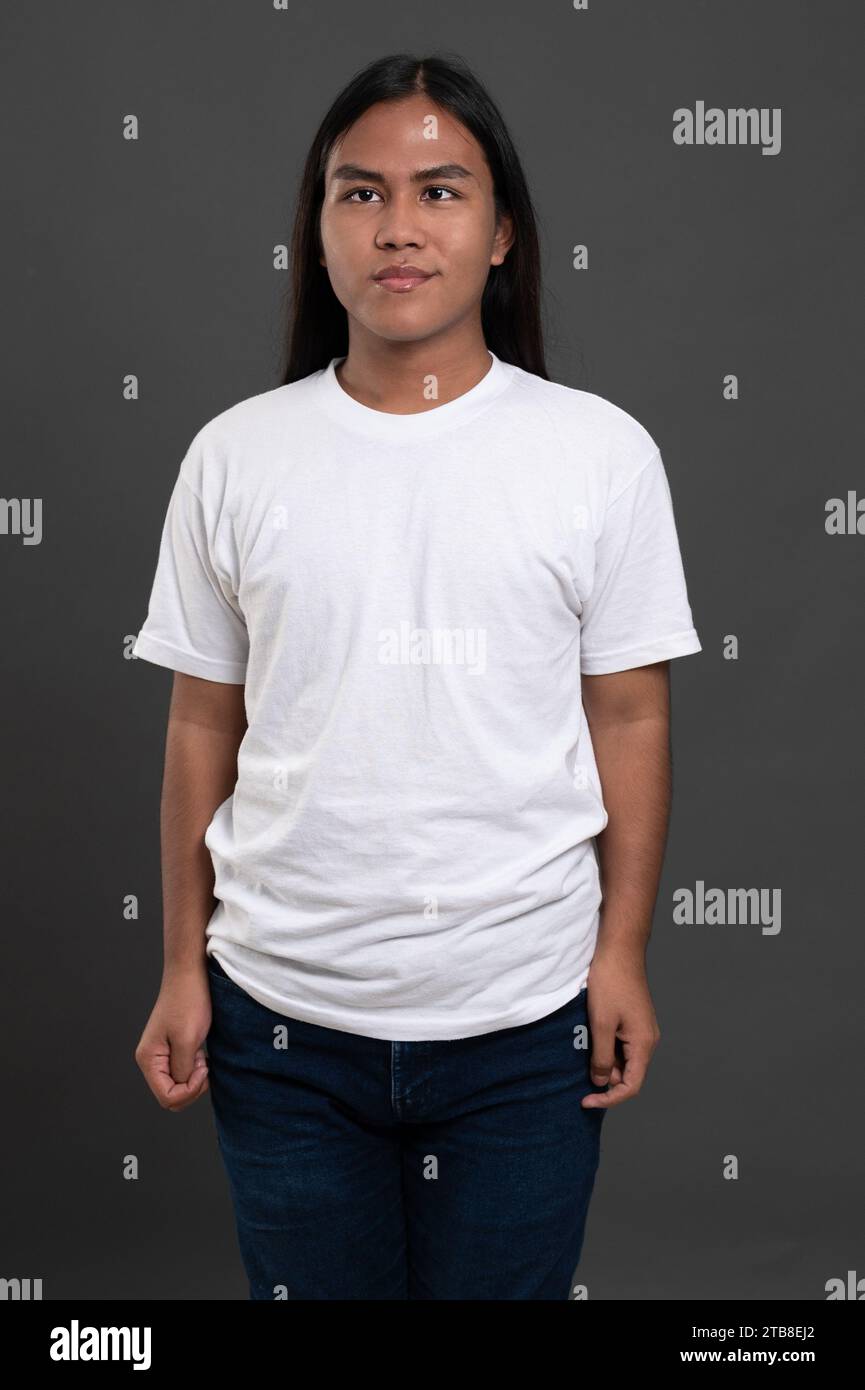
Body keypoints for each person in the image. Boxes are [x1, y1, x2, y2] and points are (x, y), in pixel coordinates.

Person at [132, 51, 702, 1301]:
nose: (398, 227)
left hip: (523, 1025)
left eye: (441, 192)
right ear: (317, 233)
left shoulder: (598, 455)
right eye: (359, 193)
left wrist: (622, 953)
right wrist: (182, 968)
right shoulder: (236, 456)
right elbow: (197, 728)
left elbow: (628, 713)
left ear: (502, 234)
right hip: (280, 1020)